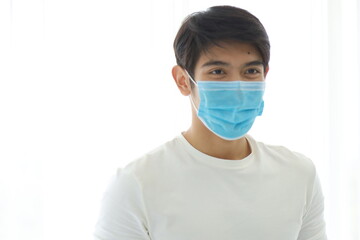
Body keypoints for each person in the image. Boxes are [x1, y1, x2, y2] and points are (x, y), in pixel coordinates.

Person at [94, 5, 327, 240]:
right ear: (183, 81)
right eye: (217, 72)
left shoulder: (299, 175)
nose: (237, 88)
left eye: (251, 71)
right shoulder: (136, 185)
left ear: (265, 75)